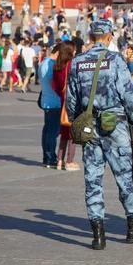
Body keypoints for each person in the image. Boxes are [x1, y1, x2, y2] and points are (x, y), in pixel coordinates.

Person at [66, 20, 133, 250]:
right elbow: (129, 95)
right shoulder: (115, 61)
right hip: (115, 125)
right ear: (109, 36)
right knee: (125, 176)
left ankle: (98, 235)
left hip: (89, 126)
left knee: (92, 180)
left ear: (92, 37)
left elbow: (71, 100)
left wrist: (79, 122)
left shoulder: (77, 62)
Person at [52, 40, 80, 171]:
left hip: (62, 101)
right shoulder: (71, 65)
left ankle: (59, 160)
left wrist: (62, 95)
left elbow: (55, 86)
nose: (75, 52)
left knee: (64, 133)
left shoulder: (57, 66)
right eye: (74, 50)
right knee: (72, 133)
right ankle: (70, 161)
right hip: (72, 102)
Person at [39, 45, 62, 169]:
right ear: (58, 53)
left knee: (47, 130)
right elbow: (52, 82)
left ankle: (46, 157)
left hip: (46, 100)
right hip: (54, 101)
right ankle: (50, 157)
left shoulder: (43, 63)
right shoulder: (51, 64)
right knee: (53, 131)